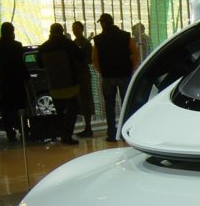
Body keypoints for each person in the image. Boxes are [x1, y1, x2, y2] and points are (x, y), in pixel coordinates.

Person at [93, 13, 138, 141]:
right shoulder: (125, 36)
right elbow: (135, 53)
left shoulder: (98, 39)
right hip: (124, 74)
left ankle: (112, 134)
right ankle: (126, 132)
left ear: (103, 23)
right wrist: (131, 69)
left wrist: (102, 71)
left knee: (109, 106)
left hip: (108, 77)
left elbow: (95, 59)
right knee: (126, 104)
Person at [38, 23, 85, 145]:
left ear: (51, 32)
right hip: (70, 84)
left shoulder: (44, 47)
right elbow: (81, 57)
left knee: (60, 111)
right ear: (62, 31)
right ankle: (67, 135)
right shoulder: (69, 44)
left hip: (54, 85)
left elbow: (39, 64)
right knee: (73, 109)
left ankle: (61, 133)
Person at [0, 22, 30, 142]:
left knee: (7, 108)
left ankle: (10, 132)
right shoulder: (17, 45)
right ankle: (24, 129)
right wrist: (26, 77)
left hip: (6, 80)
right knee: (21, 106)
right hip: (17, 80)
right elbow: (20, 63)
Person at [71, 21, 94, 137]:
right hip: (78, 75)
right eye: (74, 28)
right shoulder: (75, 43)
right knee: (81, 101)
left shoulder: (85, 43)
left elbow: (89, 60)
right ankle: (87, 127)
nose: (75, 31)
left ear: (81, 29)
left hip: (83, 75)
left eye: (77, 28)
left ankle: (88, 127)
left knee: (86, 100)